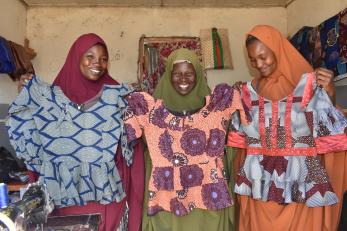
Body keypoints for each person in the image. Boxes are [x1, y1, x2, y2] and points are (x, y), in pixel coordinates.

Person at [7, 33, 144, 231]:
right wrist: (27, 97)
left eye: (103, 59)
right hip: (62, 201)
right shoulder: (48, 100)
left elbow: (131, 152)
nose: (97, 63)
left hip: (106, 200)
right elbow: (29, 139)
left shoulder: (118, 99)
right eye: (90, 56)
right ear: (75, 57)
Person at [227, 25, 347, 231]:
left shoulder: (309, 82)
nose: (259, 64)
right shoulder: (250, 90)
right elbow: (242, 146)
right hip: (261, 189)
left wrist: (329, 94)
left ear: (278, 49)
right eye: (253, 60)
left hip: (300, 187)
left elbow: (328, 126)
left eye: (263, 56)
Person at [123, 48, 248, 231]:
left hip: (208, 206)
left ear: (198, 75)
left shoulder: (218, 107)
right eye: (177, 74)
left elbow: (245, 125)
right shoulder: (150, 113)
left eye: (189, 74)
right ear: (168, 76)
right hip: (167, 206)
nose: (183, 79)